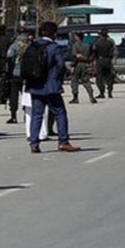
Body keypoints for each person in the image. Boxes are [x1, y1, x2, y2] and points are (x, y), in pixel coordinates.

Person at [26, 20, 81, 154]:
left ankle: (34, 143)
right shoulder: (54, 47)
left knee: (36, 115)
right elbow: (60, 65)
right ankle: (63, 141)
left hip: (35, 86)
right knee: (60, 113)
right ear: (54, 33)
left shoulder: (33, 46)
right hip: (51, 86)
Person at [5, 30, 34, 123]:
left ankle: (13, 115)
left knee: (13, 95)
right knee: (26, 95)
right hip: (26, 74)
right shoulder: (29, 46)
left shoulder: (14, 46)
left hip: (15, 74)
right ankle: (27, 114)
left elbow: (9, 57)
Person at [67, 33, 97, 104]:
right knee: (86, 80)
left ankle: (75, 97)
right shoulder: (87, 45)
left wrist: (73, 66)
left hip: (77, 64)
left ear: (78, 37)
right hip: (85, 64)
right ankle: (91, 96)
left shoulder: (75, 45)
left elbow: (75, 56)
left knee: (74, 81)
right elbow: (92, 54)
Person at [91, 30, 117, 99]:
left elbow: (94, 52)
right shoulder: (110, 43)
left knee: (99, 78)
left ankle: (102, 92)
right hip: (108, 61)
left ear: (100, 35)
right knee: (109, 77)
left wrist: (92, 60)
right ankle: (110, 92)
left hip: (100, 61)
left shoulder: (97, 43)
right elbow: (112, 53)